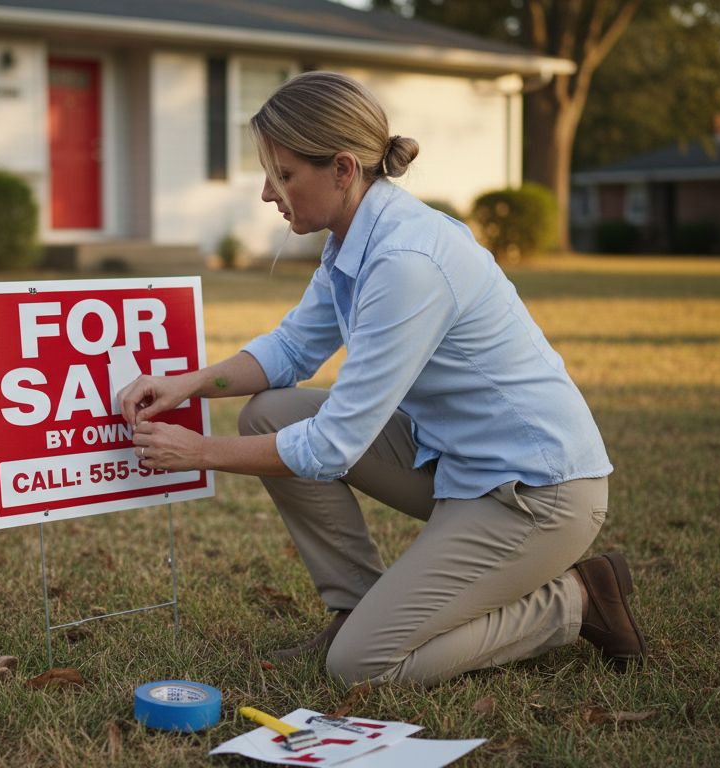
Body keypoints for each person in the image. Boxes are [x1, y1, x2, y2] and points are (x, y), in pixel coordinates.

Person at [119, 71, 644, 688]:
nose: (268, 193)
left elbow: (333, 446)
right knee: (270, 411)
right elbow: (292, 348)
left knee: (362, 667)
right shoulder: (355, 237)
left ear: (343, 169)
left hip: (536, 493)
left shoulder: (406, 262)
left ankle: (577, 600)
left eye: (283, 175)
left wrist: (200, 452)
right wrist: (188, 382)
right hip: (458, 465)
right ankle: (356, 611)